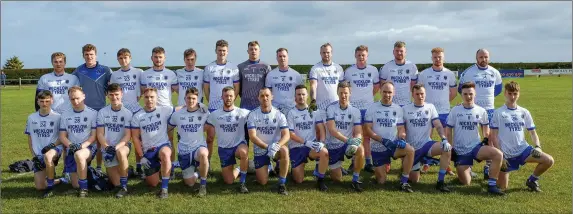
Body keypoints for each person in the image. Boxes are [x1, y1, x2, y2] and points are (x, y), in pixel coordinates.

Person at [490, 81, 554, 192]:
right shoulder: (498, 113)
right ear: (505, 93)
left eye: (515, 93)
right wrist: (501, 156)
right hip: (507, 155)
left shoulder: (524, 112)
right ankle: (494, 172)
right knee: (502, 187)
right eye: (510, 93)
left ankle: (532, 180)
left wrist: (538, 146)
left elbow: (533, 132)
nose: (512, 96)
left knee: (549, 160)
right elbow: (493, 136)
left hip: (524, 150)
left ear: (519, 94)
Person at [446, 82, 505, 195]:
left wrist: (486, 139)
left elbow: (486, 130)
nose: (468, 97)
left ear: (475, 94)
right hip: (460, 150)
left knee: (498, 154)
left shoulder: (481, 111)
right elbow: (448, 130)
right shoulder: (455, 110)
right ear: (461, 95)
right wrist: (450, 147)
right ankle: (466, 168)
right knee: (466, 182)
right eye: (465, 94)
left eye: (471, 94)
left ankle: (491, 185)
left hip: (475, 147)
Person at [458, 49, 503, 179]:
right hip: (472, 110)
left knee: (490, 139)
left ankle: (488, 167)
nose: (483, 59)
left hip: (489, 110)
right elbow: (462, 89)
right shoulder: (469, 72)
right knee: (470, 137)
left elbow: (498, 89)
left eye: (486, 57)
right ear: (476, 58)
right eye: (481, 57)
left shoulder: (495, 72)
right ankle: (468, 167)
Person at [363, 82, 415, 192]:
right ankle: (384, 164)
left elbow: (401, 128)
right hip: (378, 147)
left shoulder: (397, 109)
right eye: (385, 92)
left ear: (394, 93)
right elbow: (367, 129)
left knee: (410, 150)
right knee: (381, 181)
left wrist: (401, 137)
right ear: (380, 92)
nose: (387, 94)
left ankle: (404, 182)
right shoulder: (372, 108)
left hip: (393, 145)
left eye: (390, 92)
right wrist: (382, 140)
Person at [402, 84, 452, 192]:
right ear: (412, 94)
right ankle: (415, 165)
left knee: (446, 148)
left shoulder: (430, 107)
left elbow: (438, 125)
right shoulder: (405, 109)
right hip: (412, 149)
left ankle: (440, 182)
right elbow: (401, 129)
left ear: (425, 94)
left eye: (422, 94)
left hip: (426, 144)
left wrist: (444, 139)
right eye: (417, 94)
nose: (420, 96)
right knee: (414, 180)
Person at [416, 47, 457, 175]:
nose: (437, 59)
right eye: (435, 57)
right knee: (426, 138)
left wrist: (443, 102)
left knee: (446, 138)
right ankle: (426, 163)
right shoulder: (424, 74)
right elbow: (419, 91)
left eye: (440, 57)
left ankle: (447, 165)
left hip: (444, 111)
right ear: (432, 58)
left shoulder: (449, 74)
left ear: (443, 58)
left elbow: (453, 93)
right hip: (427, 111)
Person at [72, 44, 113, 173]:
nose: (89, 57)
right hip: (84, 111)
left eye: (91, 54)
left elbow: (112, 86)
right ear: (83, 55)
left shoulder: (106, 70)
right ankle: (83, 165)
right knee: (85, 138)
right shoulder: (78, 71)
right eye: (86, 54)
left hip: (100, 109)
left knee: (100, 140)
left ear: (96, 55)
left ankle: (99, 167)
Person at [131, 88, 175, 199]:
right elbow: (135, 138)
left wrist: (199, 105)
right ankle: (163, 167)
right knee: (153, 183)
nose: (149, 99)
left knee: (165, 154)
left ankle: (164, 189)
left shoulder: (164, 110)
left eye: (152, 97)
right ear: (142, 98)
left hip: (163, 145)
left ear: (156, 98)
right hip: (148, 151)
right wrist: (141, 156)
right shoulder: (137, 116)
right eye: (146, 97)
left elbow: (182, 108)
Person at [342, 45, 379, 173]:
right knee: (354, 136)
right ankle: (354, 162)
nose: (361, 57)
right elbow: (346, 89)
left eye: (363, 55)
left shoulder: (373, 70)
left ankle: (369, 162)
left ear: (367, 55)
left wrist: (367, 97)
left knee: (368, 136)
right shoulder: (349, 71)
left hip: (368, 108)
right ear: (355, 56)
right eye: (359, 55)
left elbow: (376, 87)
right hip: (354, 109)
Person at [205, 86, 250, 193]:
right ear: (222, 97)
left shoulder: (243, 113)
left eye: (231, 96)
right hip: (224, 149)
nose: (228, 98)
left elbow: (259, 115)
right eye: (226, 96)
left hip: (239, 145)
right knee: (229, 181)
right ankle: (240, 168)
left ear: (235, 97)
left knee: (244, 152)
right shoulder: (214, 115)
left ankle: (243, 183)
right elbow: (204, 127)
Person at [168, 87, 211, 197]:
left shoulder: (204, 112)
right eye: (188, 98)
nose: (191, 101)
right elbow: (168, 128)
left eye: (193, 98)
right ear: (184, 99)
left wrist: (203, 106)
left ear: (197, 99)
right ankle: (196, 172)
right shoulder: (177, 114)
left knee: (204, 154)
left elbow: (213, 122)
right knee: (190, 183)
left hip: (198, 147)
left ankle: (203, 185)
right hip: (184, 150)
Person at [247, 87, 291, 195]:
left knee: (284, 150)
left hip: (275, 149)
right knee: (262, 182)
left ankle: (281, 184)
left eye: (267, 95)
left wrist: (276, 146)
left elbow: (286, 135)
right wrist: (267, 147)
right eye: (262, 96)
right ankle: (269, 167)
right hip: (261, 149)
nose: (265, 98)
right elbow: (252, 137)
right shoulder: (252, 114)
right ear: (258, 98)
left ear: (272, 97)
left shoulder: (279, 114)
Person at [286, 84, 329, 191]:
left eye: (303, 94)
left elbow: (322, 129)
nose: (301, 97)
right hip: (296, 147)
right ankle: (295, 168)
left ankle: (320, 180)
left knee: (324, 152)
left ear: (307, 96)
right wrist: (305, 142)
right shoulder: (291, 113)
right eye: (298, 94)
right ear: (295, 97)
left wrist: (322, 142)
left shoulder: (314, 111)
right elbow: (290, 134)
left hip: (311, 146)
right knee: (299, 180)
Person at [325, 81, 365, 192]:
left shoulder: (355, 111)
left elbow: (358, 131)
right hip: (333, 145)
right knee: (337, 179)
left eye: (346, 93)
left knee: (360, 149)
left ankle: (355, 180)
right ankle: (336, 167)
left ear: (350, 93)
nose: (343, 95)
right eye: (341, 93)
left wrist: (356, 140)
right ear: (337, 93)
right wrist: (348, 140)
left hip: (347, 144)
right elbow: (332, 130)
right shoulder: (331, 108)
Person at [58, 86, 98, 197]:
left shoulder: (93, 113)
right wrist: (71, 145)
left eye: (78, 98)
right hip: (72, 148)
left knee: (79, 155)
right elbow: (62, 136)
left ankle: (84, 190)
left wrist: (81, 146)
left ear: (83, 96)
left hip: (88, 147)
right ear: (69, 99)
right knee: (75, 185)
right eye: (72, 99)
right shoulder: (65, 114)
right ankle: (88, 174)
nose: (75, 101)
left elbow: (93, 137)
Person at [25, 90, 66, 198]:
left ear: (52, 101)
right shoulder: (31, 118)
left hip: (55, 148)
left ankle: (51, 188)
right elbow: (30, 139)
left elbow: (62, 137)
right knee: (40, 187)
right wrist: (34, 157)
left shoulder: (58, 117)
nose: (44, 104)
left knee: (48, 157)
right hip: (38, 153)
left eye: (47, 101)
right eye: (42, 101)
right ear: (37, 102)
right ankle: (60, 180)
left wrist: (51, 146)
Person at [96, 83, 133, 198]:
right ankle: (128, 172)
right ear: (107, 95)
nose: (114, 97)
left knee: (120, 153)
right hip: (107, 149)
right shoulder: (102, 112)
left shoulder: (127, 113)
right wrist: (107, 147)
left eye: (116, 94)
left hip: (122, 146)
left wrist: (115, 148)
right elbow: (100, 134)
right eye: (111, 95)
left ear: (121, 94)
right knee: (115, 183)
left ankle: (124, 187)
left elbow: (127, 136)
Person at [308, 43, 345, 117]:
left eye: (328, 52)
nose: (326, 54)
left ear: (331, 53)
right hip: (321, 106)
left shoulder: (339, 68)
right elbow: (313, 85)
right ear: (320, 53)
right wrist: (313, 101)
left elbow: (342, 88)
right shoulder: (315, 68)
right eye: (323, 52)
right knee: (321, 128)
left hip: (336, 105)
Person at [203, 39, 240, 112]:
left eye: (224, 50)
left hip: (228, 105)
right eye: (219, 50)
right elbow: (206, 88)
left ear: (227, 51)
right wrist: (210, 100)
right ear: (216, 51)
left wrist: (231, 101)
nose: (222, 52)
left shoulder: (233, 67)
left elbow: (237, 88)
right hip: (213, 106)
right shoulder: (209, 67)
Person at [265, 48, 304, 116]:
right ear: (277, 58)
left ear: (287, 57)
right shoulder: (270, 75)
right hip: (275, 110)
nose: (282, 58)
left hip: (292, 110)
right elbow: (268, 95)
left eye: (284, 56)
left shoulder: (296, 75)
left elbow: (302, 94)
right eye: (280, 56)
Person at [379, 41, 419, 107]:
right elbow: (382, 85)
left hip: (407, 103)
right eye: (397, 51)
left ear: (405, 52)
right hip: (391, 103)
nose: (399, 53)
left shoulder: (412, 66)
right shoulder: (387, 66)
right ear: (393, 52)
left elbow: (413, 86)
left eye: (401, 51)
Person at [110, 48, 143, 113]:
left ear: (130, 58)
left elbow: (143, 88)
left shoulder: (139, 72)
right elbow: (112, 92)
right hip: (121, 108)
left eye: (125, 57)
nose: (123, 60)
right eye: (121, 58)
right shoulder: (114, 75)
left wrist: (139, 96)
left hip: (135, 107)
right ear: (117, 59)